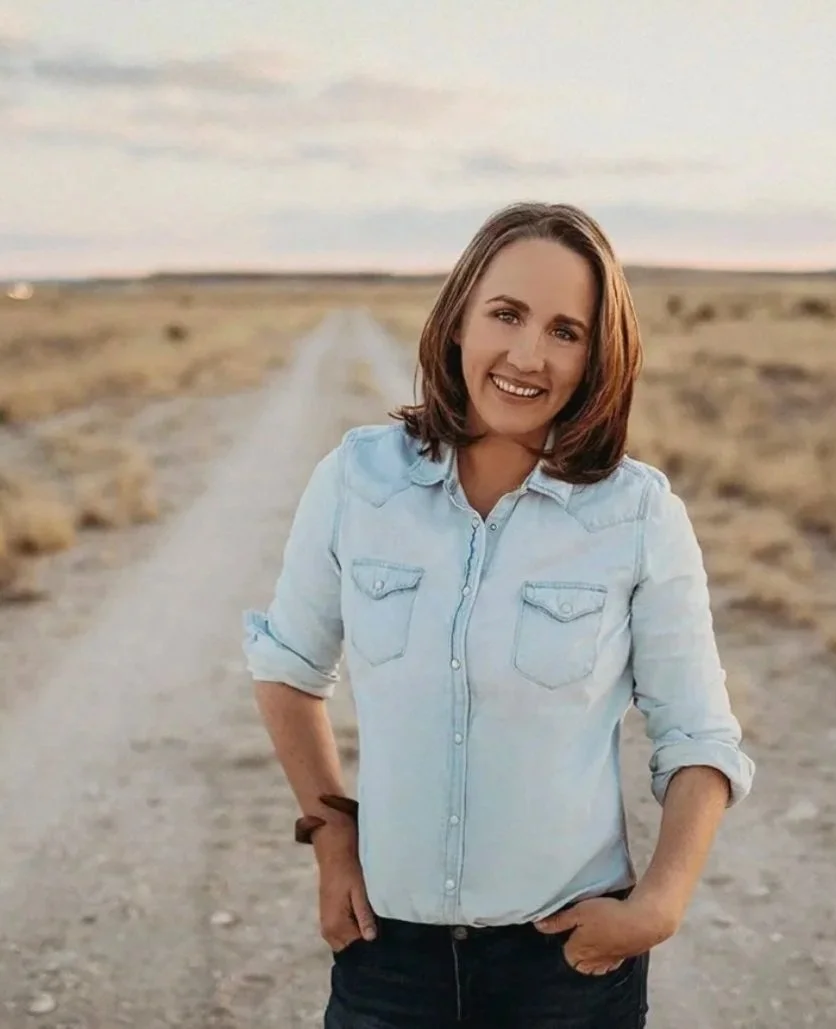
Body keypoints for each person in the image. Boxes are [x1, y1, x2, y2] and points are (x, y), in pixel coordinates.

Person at [241, 200, 755, 1028]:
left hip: (564, 965)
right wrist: (331, 834)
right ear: (457, 323)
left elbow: (697, 733)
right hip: (388, 957)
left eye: (565, 330)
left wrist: (658, 905)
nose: (528, 356)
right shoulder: (355, 479)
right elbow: (288, 668)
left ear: (597, 355)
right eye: (506, 314)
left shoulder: (637, 514)